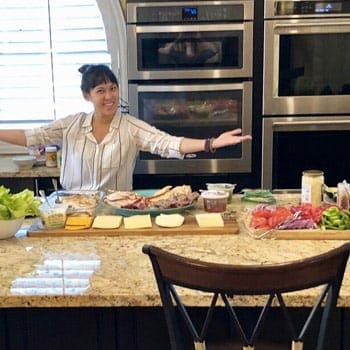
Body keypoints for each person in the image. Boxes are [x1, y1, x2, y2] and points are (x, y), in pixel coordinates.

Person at [0, 64, 252, 191]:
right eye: (101, 91)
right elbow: (31, 136)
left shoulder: (130, 127)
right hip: (71, 212)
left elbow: (167, 143)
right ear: (87, 96)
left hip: (116, 212)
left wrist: (211, 143)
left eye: (113, 88)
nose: (109, 96)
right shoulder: (71, 125)